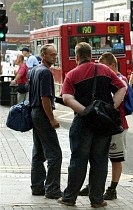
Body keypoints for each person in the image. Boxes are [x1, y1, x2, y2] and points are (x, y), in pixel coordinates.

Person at [57, 42, 126, 208]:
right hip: (103, 123)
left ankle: (69, 198)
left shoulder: (72, 75)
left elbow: (66, 98)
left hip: (83, 122)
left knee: (78, 160)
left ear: (77, 57)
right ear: (91, 55)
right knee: (100, 161)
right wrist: (110, 108)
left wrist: (85, 111)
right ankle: (97, 200)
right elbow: (122, 88)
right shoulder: (105, 70)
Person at [78, 52, 129, 200]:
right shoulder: (106, 79)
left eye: (104, 66)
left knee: (115, 158)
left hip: (116, 125)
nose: (101, 69)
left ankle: (112, 189)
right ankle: (92, 185)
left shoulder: (121, 80)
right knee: (97, 157)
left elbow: (114, 101)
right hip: (104, 124)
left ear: (112, 65)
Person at [29, 44, 62, 199]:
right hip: (42, 114)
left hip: (34, 113)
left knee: (38, 152)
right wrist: (52, 118)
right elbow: (45, 98)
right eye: (52, 55)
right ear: (43, 55)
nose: (54, 57)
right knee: (55, 154)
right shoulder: (45, 73)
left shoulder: (34, 70)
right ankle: (52, 189)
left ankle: (37, 187)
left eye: (55, 55)